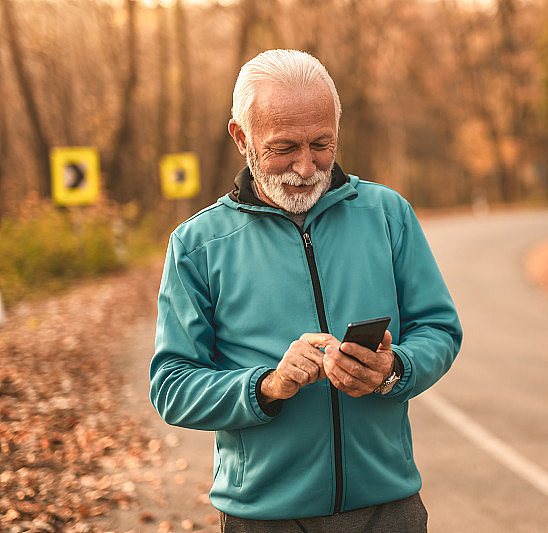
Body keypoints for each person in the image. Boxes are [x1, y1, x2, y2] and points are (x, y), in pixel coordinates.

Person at [149, 49, 462, 532]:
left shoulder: (387, 213)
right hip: (266, 516)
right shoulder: (197, 245)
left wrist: (393, 369)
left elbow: (438, 328)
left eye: (322, 143)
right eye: (284, 148)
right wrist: (268, 385)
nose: (306, 166)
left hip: (389, 507)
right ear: (241, 136)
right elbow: (172, 385)